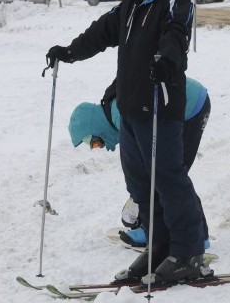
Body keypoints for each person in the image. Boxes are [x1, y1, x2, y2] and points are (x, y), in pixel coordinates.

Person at [46, 0, 206, 284]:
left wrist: (167, 62)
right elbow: (102, 32)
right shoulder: (134, 1)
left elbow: (176, 34)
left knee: (168, 179)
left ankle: (187, 252)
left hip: (160, 106)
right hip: (132, 110)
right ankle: (158, 247)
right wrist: (69, 52)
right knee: (142, 185)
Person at [68, 77, 211, 248]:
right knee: (169, 176)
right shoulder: (116, 109)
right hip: (188, 101)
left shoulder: (120, 114)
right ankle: (193, 234)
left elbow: (143, 170)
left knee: (169, 177)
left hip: (190, 106)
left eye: (96, 142)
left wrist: (139, 204)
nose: (101, 147)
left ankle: (185, 236)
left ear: (95, 126)